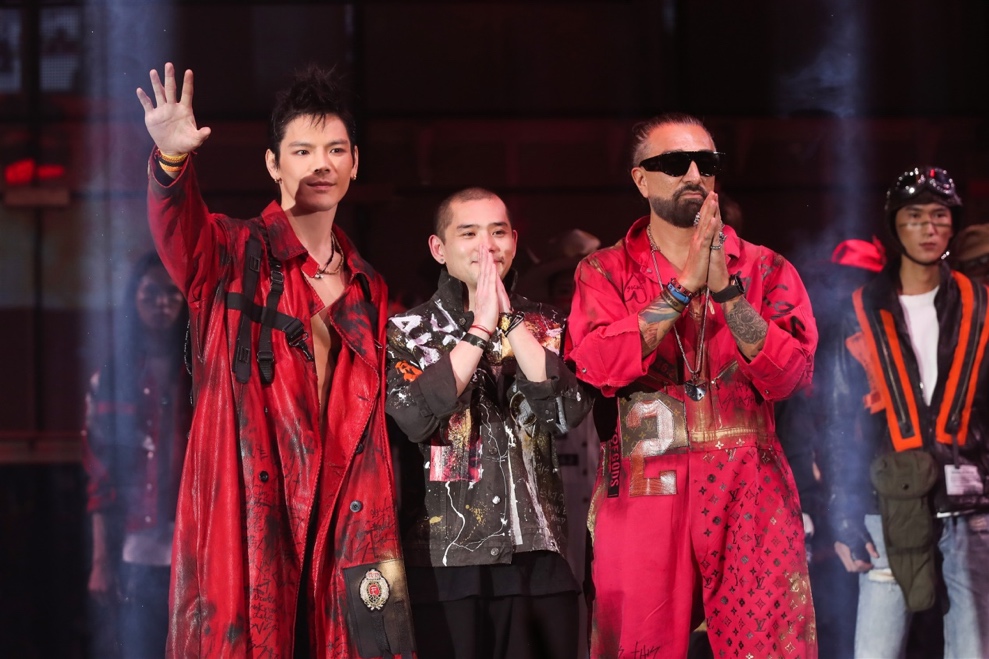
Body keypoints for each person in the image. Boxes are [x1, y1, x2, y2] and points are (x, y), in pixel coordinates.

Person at [135, 63, 413, 657]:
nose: (321, 164)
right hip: (253, 505)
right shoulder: (234, 251)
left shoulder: (369, 287)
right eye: (302, 151)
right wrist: (171, 162)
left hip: (344, 516)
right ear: (273, 164)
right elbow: (178, 231)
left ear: (355, 163)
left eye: (336, 150)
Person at [565, 113, 819, 658]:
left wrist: (727, 293)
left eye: (706, 163)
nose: (694, 175)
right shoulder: (604, 271)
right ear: (641, 179)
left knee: (767, 647)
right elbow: (598, 364)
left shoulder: (767, 268)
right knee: (639, 646)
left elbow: (791, 375)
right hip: (646, 487)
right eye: (674, 163)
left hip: (751, 488)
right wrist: (683, 288)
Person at [384, 188, 592, 659]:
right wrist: (479, 328)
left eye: (497, 232)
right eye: (469, 233)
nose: (487, 246)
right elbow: (415, 418)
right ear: (439, 248)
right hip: (447, 559)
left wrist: (511, 323)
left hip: (538, 555)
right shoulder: (408, 332)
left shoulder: (548, 324)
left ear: (514, 241)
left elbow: (566, 413)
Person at [824, 166, 989, 659]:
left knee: (974, 649)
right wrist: (842, 512)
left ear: (953, 224)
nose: (928, 228)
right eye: (914, 216)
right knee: (875, 650)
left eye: (939, 215)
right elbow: (838, 420)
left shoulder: (980, 306)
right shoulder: (859, 308)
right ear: (894, 224)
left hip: (971, 505)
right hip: (887, 505)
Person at [83, 251, 191, 659]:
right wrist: (100, 561)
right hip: (135, 550)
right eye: (149, 294)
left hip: (197, 548)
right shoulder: (110, 381)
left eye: (171, 293)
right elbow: (99, 475)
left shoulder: (203, 374)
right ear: (134, 299)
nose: (161, 303)